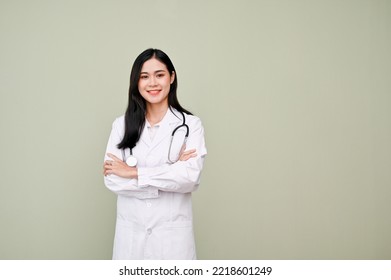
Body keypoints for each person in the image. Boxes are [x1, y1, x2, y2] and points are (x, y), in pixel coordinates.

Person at [103, 48, 207, 260]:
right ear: (136, 82)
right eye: (144, 76)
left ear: (172, 77)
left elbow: (189, 178)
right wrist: (170, 175)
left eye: (159, 75)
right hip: (130, 241)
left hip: (172, 244)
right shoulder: (121, 125)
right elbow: (113, 180)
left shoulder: (190, 125)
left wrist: (134, 173)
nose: (152, 83)